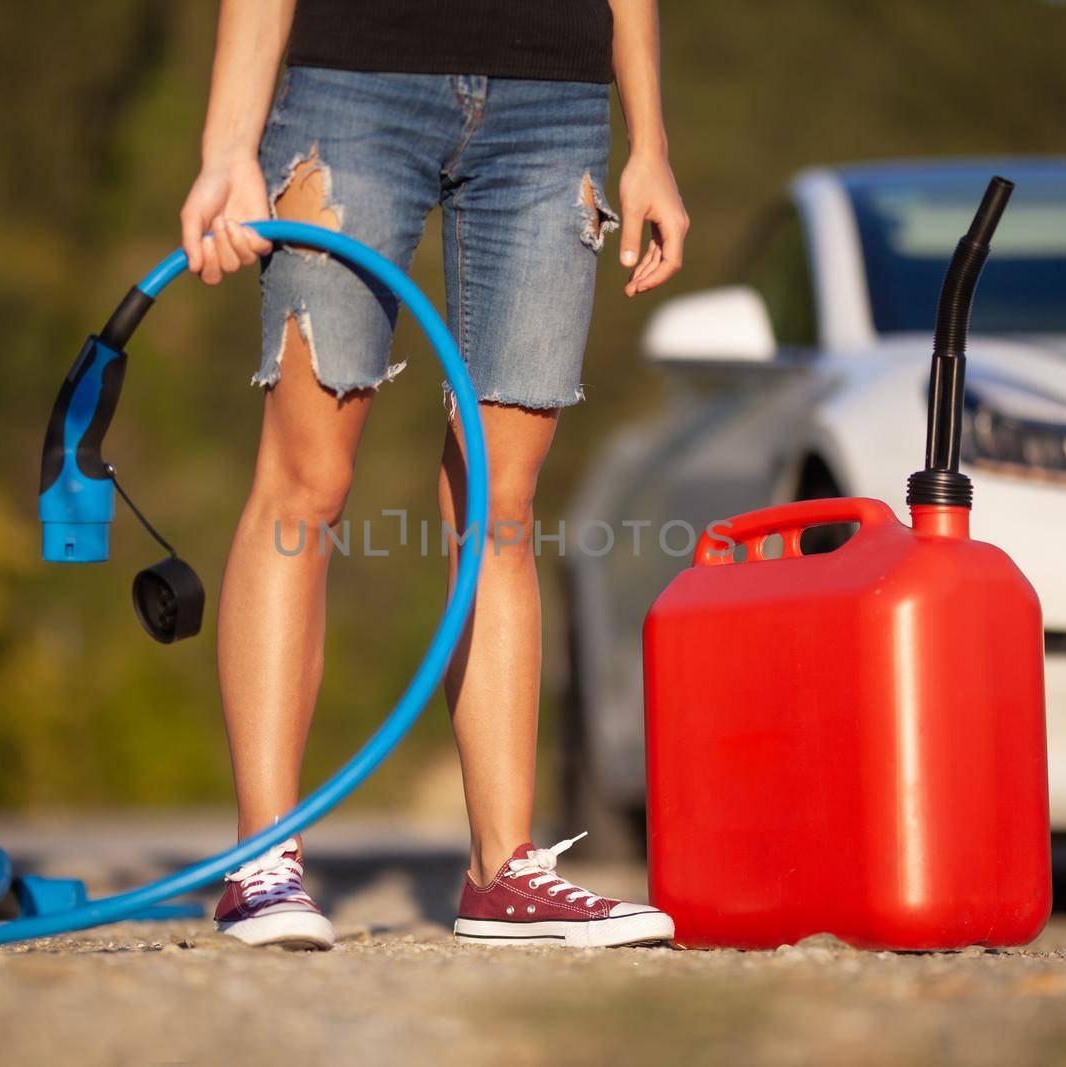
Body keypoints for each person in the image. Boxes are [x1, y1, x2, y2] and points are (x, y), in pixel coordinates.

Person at [181, 0, 687, 949]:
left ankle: (506, 873)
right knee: (307, 481)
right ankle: (264, 861)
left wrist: (649, 142)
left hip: (555, 106)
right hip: (356, 86)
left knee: (503, 501)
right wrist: (227, 146)